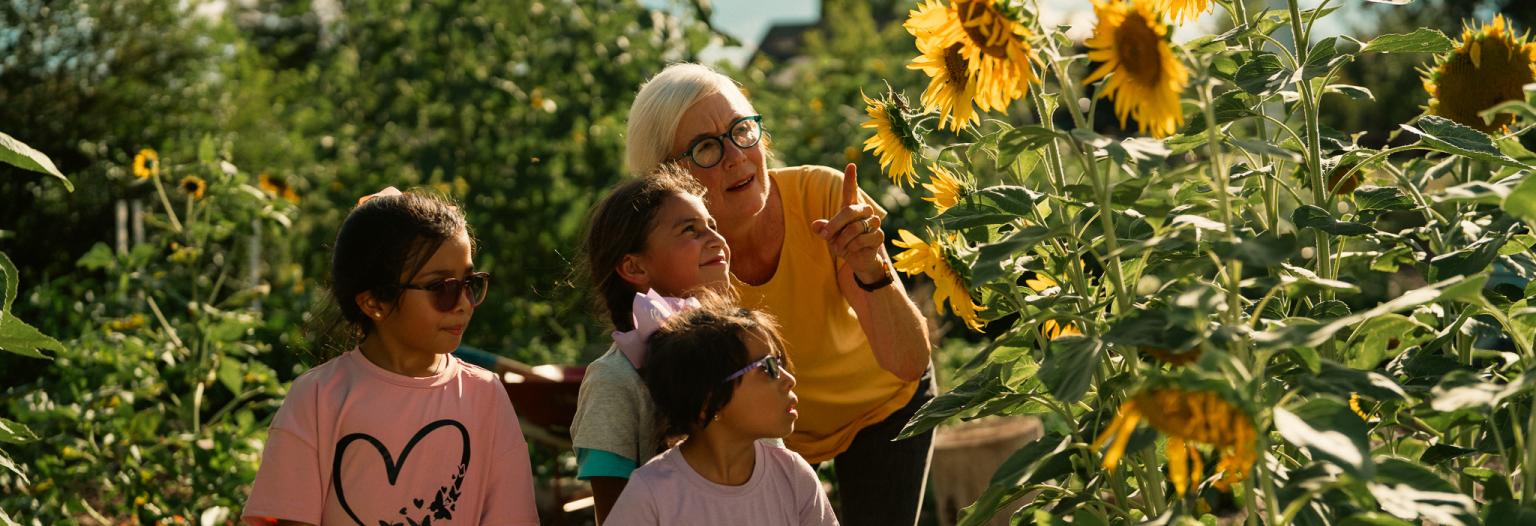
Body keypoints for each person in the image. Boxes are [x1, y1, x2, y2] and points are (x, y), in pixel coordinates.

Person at [625, 63, 935, 524]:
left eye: (742, 130)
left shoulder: (826, 196)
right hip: (770, 428)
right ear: (667, 178)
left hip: (882, 407)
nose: (736, 156)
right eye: (706, 147)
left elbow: (909, 360)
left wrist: (871, 268)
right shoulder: (681, 261)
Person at [242, 188, 539, 526]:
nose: (463, 303)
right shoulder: (317, 398)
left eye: (469, 282)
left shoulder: (485, 395)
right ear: (374, 303)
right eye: (441, 287)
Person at [568, 166, 732, 522]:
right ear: (634, 267)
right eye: (690, 230)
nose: (716, 239)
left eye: (712, 226)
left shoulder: (743, 357)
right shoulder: (613, 381)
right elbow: (614, 517)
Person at [605, 298, 837, 525]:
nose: (789, 380)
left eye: (780, 363)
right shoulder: (651, 494)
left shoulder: (793, 476)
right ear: (707, 402)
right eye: (768, 368)